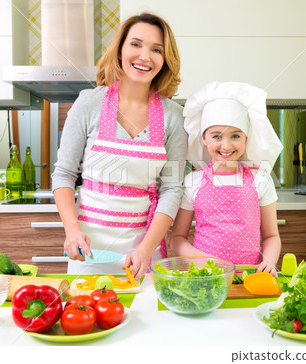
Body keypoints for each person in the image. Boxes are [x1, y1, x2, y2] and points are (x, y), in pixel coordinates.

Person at [52, 13, 187, 280]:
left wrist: (146, 250)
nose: (145, 56)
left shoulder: (173, 116)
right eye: (136, 44)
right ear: (121, 49)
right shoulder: (89, 104)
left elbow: (172, 188)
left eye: (156, 49)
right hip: (87, 252)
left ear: (165, 59)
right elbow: (64, 174)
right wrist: (72, 230)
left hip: (142, 255)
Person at [170, 81, 283, 276]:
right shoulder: (192, 182)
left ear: (246, 139)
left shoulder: (260, 180)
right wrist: (201, 260)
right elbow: (177, 238)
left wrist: (270, 262)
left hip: (249, 277)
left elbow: (272, 235)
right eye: (216, 136)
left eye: (235, 136)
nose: (226, 144)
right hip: (204, 276)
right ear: (203, 138)